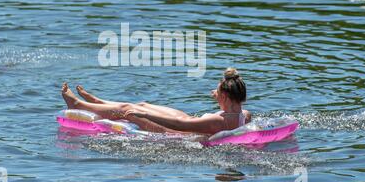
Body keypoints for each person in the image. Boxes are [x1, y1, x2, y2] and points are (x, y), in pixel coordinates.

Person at [61, 68, 251, 135]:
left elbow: (180, 125)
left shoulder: (219, 121)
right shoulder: (245, 115)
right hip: (188, 120)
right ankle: (98, 101)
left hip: (173, 132)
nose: (213, 94)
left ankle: (78, 105)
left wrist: (144, 117)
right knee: (142, 103)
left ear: (226, 96)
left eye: (217, 92)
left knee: (133, 110)